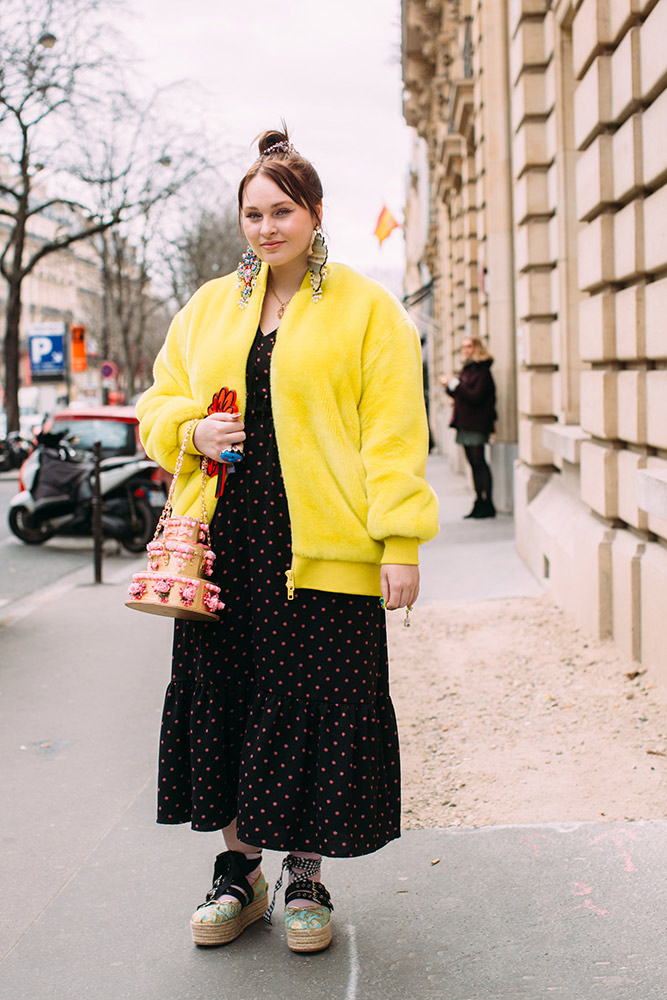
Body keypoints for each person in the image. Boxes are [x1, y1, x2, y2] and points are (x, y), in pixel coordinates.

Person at [136, 127, 439, 954]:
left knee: (314, 711)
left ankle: (305, 873)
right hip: (223, 548)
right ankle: (239, 872)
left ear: (312, 214)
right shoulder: (208, 307)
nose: (266, 228)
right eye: (252, 214)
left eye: (281, 211)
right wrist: (190, 431)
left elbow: (392, 434)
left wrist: (400, 541)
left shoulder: (367, 310)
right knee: (228, 703)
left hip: (323, 554)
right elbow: (155, 403)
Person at [441, 336, 497, 519]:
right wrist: (449, 386)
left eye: (469, 346)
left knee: (479, 462)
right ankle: (478, 501)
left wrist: (456, 385)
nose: (466, 350)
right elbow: (460, 395)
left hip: (476, 424)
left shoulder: (482, 371)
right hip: (464, 423)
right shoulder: (468, 369)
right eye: (464, 347)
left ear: (477, 348)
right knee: (473, 464)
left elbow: (475, 396)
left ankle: (487, 502)